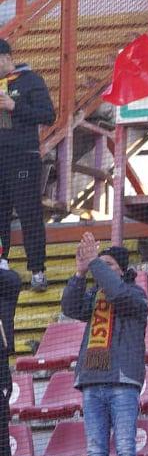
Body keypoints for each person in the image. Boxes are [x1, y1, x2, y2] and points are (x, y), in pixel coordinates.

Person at [60, 235, 147, 456]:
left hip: (122, 382)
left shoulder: (135, 294)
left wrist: (94, 262)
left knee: (125, 451)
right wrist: (79, 272)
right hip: (92, 381)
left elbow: (117, 293)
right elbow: (70, 307)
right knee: (96, 454)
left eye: (107, 265)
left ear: (122, 270)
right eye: (100, 264)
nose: (101, 268)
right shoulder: (94, 297)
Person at [0, 39, 53, 289]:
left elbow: (47, 115)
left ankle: (37, 270)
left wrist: (14, 106)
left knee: (28, 213)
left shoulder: (30, 80)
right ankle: (2, 264)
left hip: (22, 155)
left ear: (6, 57)